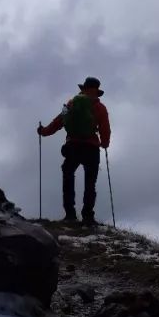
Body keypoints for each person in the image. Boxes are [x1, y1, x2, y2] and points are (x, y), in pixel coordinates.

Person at [37, 77, 111, 225]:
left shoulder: (71, 103)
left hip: (73, 145)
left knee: (68, 176)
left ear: (83, 88)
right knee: (90, 183)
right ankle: (88, 216)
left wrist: (44, 131)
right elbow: (105, 127)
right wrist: (104, 143)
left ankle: (70, 214)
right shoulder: (100, 107)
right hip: (91, 147)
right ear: (97, 91)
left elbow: (59, 121)